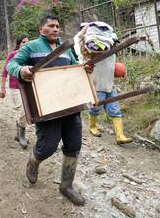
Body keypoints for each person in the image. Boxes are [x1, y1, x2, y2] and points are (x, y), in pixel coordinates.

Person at [7, 14, 94, 206]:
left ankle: (66, 186)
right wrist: (22, 71)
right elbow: (11, 64)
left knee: (74, 145)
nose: (56, 29)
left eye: (58, 26)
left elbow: (74, 68)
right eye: (51, 26)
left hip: (70, 105)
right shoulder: (31, 47)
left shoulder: (66, 49)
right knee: (47, 147)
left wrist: (84, 69)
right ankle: (34, 161)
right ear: (41, 30)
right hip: (46, 107)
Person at [74, 22, 132, 145]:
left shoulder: (109, 47)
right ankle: (92, 126)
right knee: (95, 109)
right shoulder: (86, 51)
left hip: (110, 85)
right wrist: (84, 31)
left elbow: (113, 65)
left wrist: (121, 71)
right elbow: (76, 39)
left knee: (115, 110)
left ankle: (120, 136)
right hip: (96, 85)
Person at [0, 34, 30, 149]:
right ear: (19, 44)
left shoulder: (30, 54)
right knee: (23, 110)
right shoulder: (13, 54)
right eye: (23, 42)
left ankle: (18, 133)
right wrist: (2, 88)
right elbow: (4, 72)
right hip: (15, 87)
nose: (26, 44)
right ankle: (21, 135)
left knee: (27, 111)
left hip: (28, 86)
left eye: (27, 42)